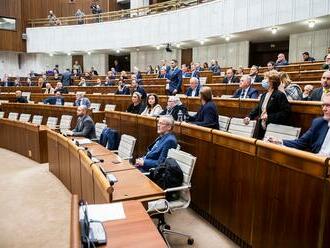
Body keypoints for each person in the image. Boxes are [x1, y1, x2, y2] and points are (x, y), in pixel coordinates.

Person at [243, 70, 291, 139]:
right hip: (261, 128)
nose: (263, 81)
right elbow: (258, 108)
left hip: (273, 129)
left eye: (265, 78)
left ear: (272, 81)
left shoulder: (279, 95)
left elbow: (286, 112)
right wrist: (249, 117)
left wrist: (269, 116)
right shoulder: (264, 95)